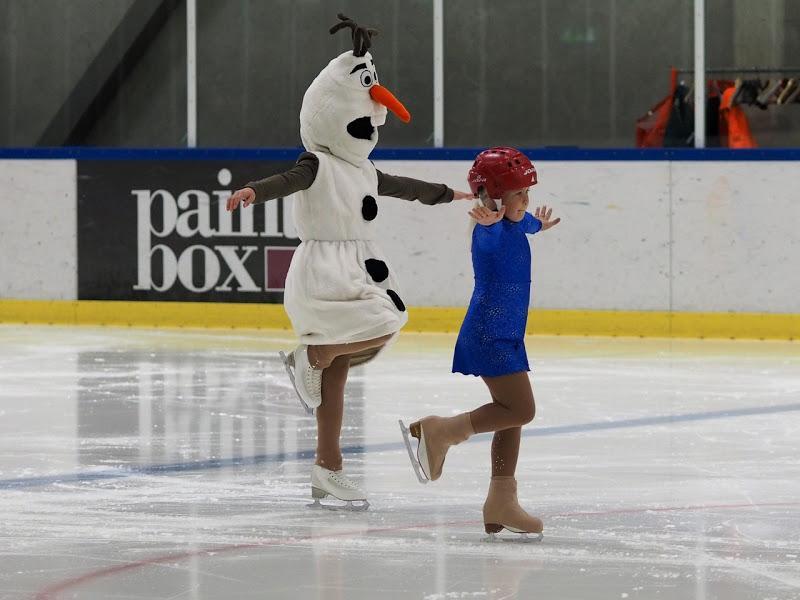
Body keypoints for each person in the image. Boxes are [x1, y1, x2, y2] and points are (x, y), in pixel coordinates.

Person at [226, 14, 473, 510]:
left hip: (360, 263)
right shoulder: (317, 163)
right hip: (325, 268)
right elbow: (288, 180)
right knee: (388, 318)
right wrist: (254, 191)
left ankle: (328, 467)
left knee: (340, 367)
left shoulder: (361, 169)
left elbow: (404, 187)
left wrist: (449, 194)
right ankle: (310, 358)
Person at [401, 147, 560, 538]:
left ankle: (501, 501)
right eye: (518, 194)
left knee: (511, 412)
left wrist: (538, 225)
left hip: (507, 333)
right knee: (521, 409)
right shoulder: (486, 232)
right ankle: (442, 431)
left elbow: (525, 226)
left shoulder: (517, 223)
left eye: (527, 193)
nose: (526, 201)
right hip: (489, 332)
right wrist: (488, 222)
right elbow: (492, 234)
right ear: (492, 198)